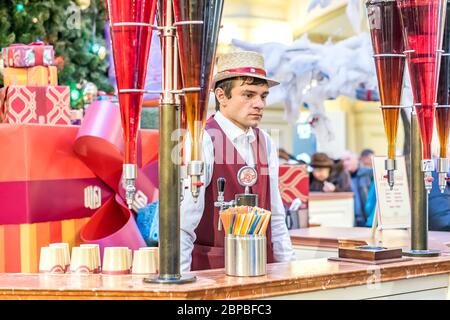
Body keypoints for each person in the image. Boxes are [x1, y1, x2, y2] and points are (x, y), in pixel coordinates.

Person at [180, 51, 296, 272]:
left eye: (263, 96)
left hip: (262, 267)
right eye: (248, 95)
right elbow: (184, 222)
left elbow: (276, 213)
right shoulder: (203, 139)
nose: (259, 104)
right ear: (222, 96)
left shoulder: (266, 141)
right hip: (213, 270)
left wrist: (288, 267)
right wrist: (181, 280)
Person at [342, 150, 374, 227]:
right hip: (351, 222)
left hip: (367, 219)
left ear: (356, 159)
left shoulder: (369, 173)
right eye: (343, 161)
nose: (345, 163)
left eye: (348, 159)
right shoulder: (341, 177)